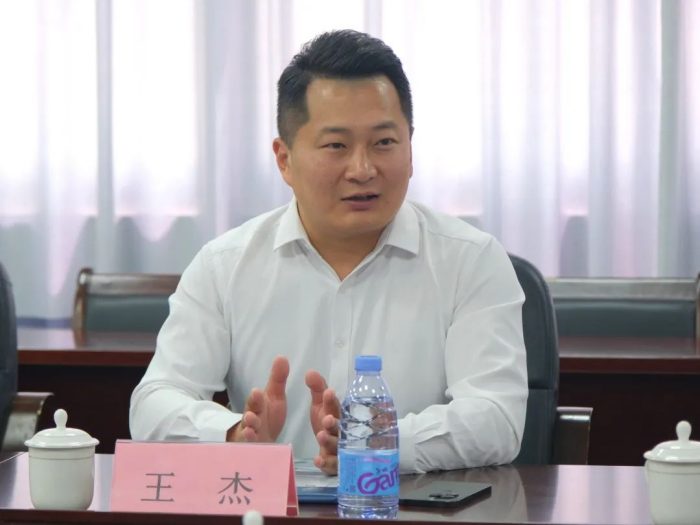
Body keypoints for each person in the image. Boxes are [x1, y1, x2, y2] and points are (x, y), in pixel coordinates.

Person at [130, 29, 527, 475]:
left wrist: (374, 443)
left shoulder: (471, 261)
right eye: (337, 145)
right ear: (285, 159)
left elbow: (496, 417)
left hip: (413, 503)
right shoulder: (224, 266)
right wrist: (233, 435)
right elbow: (154, 403)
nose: (362, 169)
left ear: (410, 149)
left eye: (384, 142)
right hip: (269, 506)